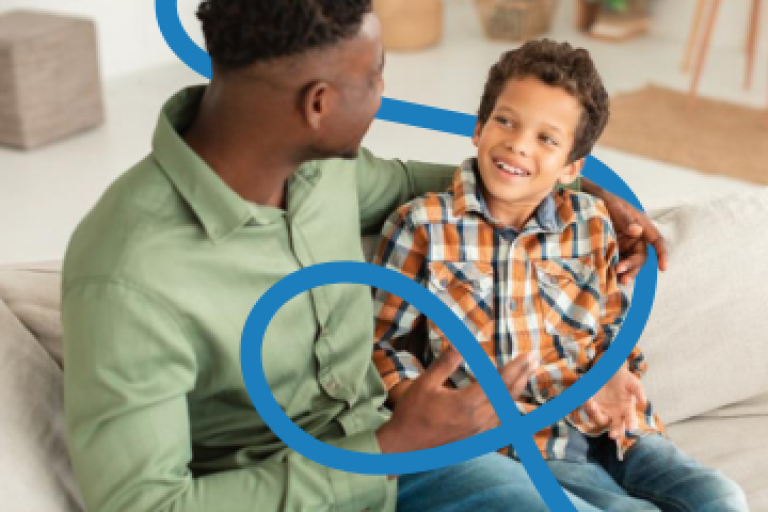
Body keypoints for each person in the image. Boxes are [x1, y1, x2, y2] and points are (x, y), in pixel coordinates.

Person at [62, 1, 666, 511]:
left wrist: (578, 192)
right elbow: (143, 505)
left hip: (411, 455)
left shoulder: (322, 167)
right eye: (376, 75)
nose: (383, 94)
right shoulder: (128, 273)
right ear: (318, 104)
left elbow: (426, 185)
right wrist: (388, 447)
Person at [372, 40, 748, 511]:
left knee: (723, 498)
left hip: (615, 432)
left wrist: (617, 374)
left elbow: (611, 327)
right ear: (479, 128)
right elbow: (383, 344)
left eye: (546, 139)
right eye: (505, 121)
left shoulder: (593, 222)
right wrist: (425, 403)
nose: (518, 144)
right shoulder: (422, 225)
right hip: (521, 446)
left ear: (572, 167)